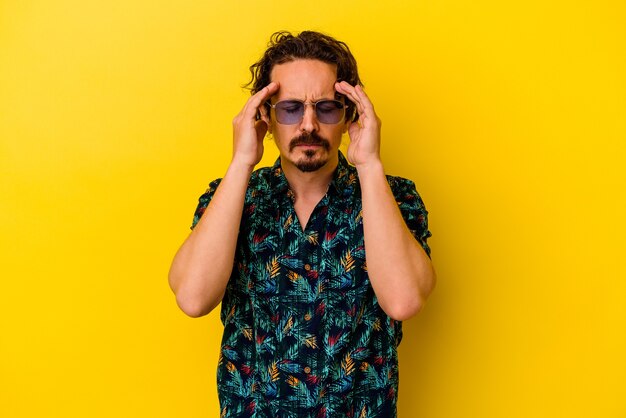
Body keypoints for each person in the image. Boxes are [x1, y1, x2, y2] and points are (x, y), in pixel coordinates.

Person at [169, 30, 436, 418]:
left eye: (326, 108)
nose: (308, 125)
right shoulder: (232, 198)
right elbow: (193, 298)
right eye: (290, 108)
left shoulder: (393, 197)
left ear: (349, 115)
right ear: (266, 115)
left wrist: (370, 165)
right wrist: (241, 161)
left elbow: (404, 300)